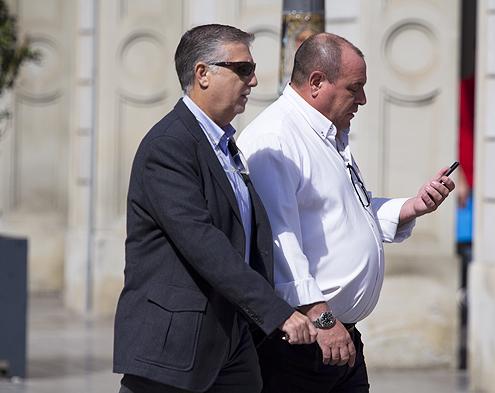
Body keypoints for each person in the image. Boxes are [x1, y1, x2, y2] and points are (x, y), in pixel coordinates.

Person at [238, 32, 456, 393]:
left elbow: (348, 207)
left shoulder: (327, 132)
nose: (364, 99)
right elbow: (279, 242)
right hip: (302, 339)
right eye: (355, 88)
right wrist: (321, 317)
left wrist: (411, 206)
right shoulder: (277, 138)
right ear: (317, 83)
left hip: (337, 337)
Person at [113, 24, 317, 393]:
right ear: (202, 74)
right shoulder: (168, 146)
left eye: (252, 70)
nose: (253, 81)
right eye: (242, 69)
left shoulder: (224, 145)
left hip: (230, 341)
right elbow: (204, 244)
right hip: (172, 351)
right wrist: (276, 312)